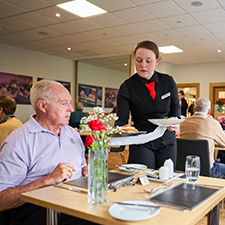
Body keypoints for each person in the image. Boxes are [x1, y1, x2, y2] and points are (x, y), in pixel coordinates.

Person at [0, 80, 95, 225]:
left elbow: (81, 165)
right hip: (39, 209)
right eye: (64, 103)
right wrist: (47, 180)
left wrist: (86, 170)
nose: (70, 108)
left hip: (76, 200)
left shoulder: (72, 133)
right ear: (43, 106)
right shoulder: (18, 141)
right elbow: (2, 200)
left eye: (69, 103)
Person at [116, 40, 181, 169]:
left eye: (148, 61)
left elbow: (176, 107)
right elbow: (121, 120)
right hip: (141, 142)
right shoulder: (127, 87)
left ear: (156, 61)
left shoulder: (168, 81)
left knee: (166, 178)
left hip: (167, 140)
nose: (143, 65)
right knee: (144, 179)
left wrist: (174, 120)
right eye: (138, 60)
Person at [180, 97, 225, 178]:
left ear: (193, 109)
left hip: (185, 166)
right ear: (209, 111)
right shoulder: (212, 123)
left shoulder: (182, 122)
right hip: (208, 168)